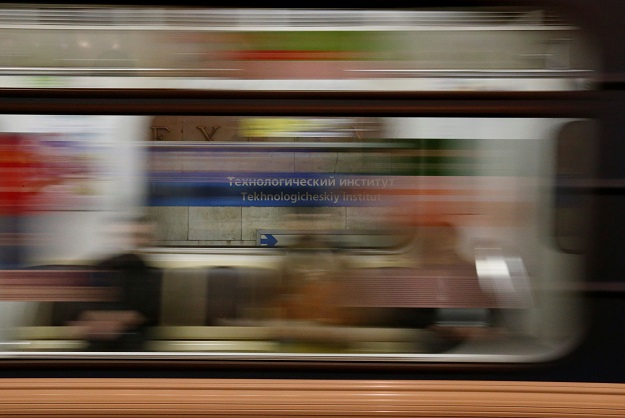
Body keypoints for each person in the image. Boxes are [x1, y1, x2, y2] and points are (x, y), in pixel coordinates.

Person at [70, 215, 161, 351]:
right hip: (100, 336)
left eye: (143, 236)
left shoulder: (150, 274)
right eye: (135, 236)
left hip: (132, 338)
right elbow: (84, 309)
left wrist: (113, 321)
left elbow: (148, 313)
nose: (138, 242)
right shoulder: (100, 268)